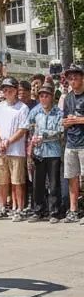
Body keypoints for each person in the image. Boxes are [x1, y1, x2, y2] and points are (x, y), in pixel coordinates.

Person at [0, 77, 30, 220]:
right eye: (4, 89)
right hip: (0, 150)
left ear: (15, 91)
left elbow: (22, 130)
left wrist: (8, 141)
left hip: (16, 151)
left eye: (9, 89)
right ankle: (2, 207)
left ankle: (19, 209)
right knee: (1, 181)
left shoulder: (23, 108)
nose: (6, 91)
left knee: (17, 181)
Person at [28, 83, 63, 222]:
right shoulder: (35, 112)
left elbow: (60, 132)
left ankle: (54, 212)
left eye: (46, 96)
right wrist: (33, 139)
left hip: (54, 152)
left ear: (52, 97)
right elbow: (30, 128)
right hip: (39, 152)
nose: (43, 98)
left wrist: (44, 135)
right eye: (41, 96)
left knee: (54, 184)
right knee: (38, 183)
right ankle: (38, 210)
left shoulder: (59, 112)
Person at [60, 62, 84, 222]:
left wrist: (79, 119)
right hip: (71, 142)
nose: (72, 80)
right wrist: (67, 122)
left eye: (75, 77)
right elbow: (64, 119)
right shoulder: (68, 97)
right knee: (72, 177)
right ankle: (73, 210)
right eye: (70, 78)